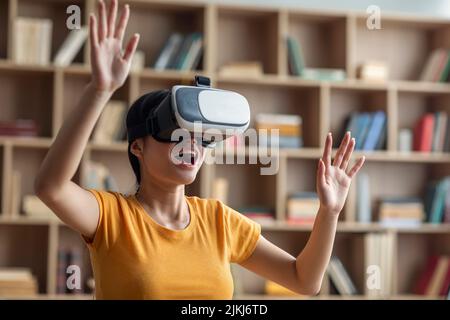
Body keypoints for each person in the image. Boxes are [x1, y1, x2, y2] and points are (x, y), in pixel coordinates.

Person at [35, 0, 365, 299]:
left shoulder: (219, 220)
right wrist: (99, 89)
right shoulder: (112, 217)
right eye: (176, 132)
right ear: (137, 146)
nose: (190, 144)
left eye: (201, 136)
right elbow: (52, 188)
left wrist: (329, 212)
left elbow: (303, 281)